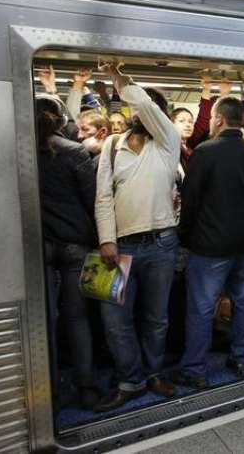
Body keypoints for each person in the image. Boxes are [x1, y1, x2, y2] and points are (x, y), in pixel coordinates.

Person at [94, 63, 181, 411]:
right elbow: (103, 196)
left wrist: (120, 79)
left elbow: (146, 106)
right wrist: (106, 239)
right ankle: (131, 379)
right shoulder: (113, 145)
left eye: (150, 110)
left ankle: (154, 373)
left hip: (161, 243)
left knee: (156, 318)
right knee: (115, 320)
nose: (140, 113)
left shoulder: (167, 143)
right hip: (122, 246)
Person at [173, 97, 244, 386]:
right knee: (243, 301)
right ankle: (242, 358)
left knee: (201, 308)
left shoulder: (204, 152)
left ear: (217, 120)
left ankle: (194, 370)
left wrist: (185, 237)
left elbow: (190, 203)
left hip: (210, 247)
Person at [35, 96, 101, 410]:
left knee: (45, 320)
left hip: (40, 246)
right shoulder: (74, 152)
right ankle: (86, 386)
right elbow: (93, 200)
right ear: (62, 120)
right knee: (78, 319)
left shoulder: (21, 149)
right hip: (77, 245)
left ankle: (50, 394)